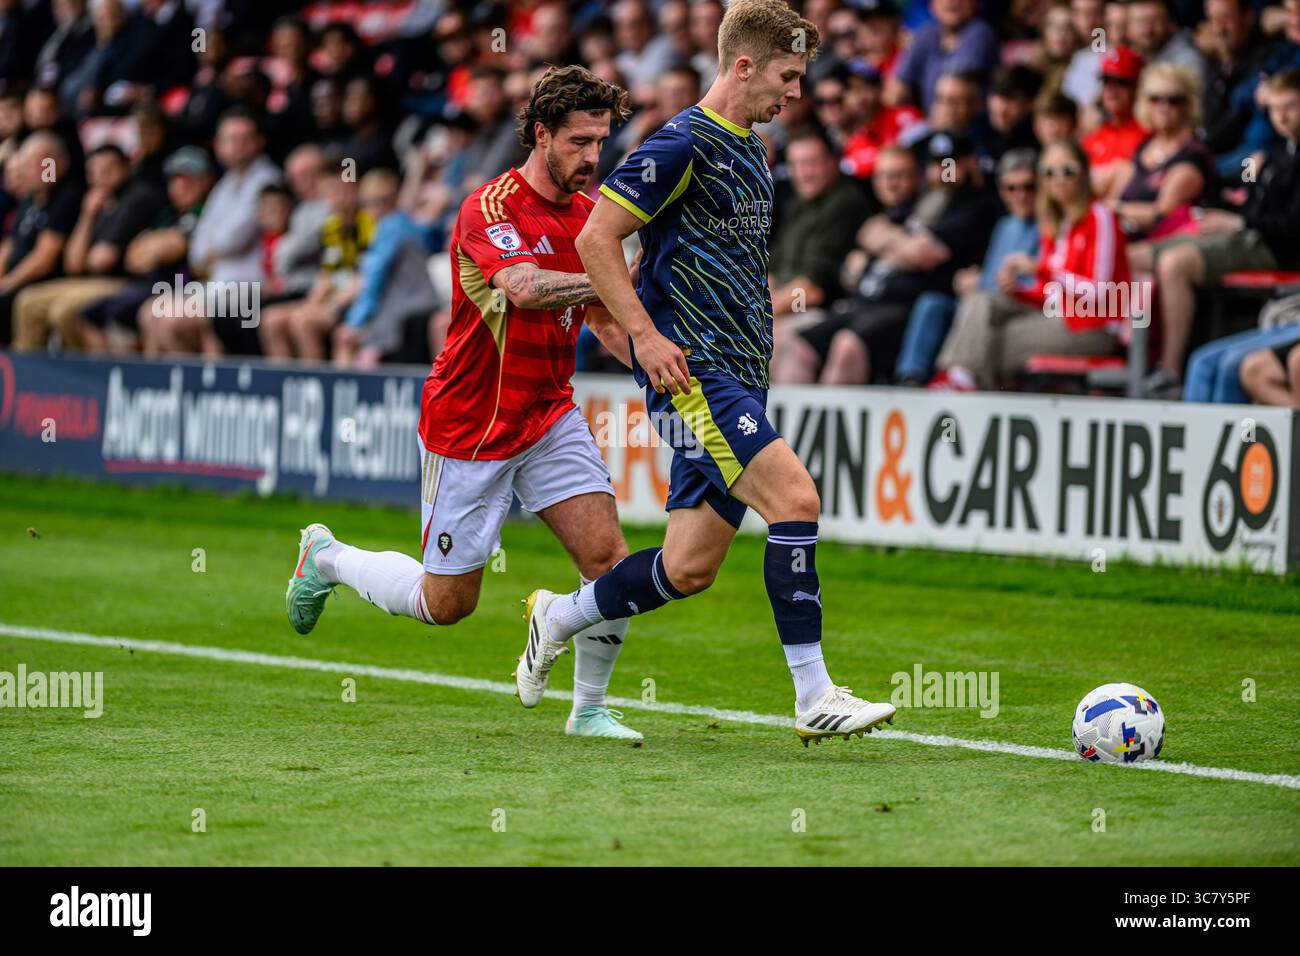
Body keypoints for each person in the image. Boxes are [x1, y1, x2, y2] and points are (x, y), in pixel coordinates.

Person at [520, 0, 899, 746]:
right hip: (694, 377)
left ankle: (555, 616)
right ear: (744, 65)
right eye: (788, 77)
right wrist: (644, 337)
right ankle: (814, 695)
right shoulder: (680, 142)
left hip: (738, 375)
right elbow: (599, 239)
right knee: (795, 499)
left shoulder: (751, 150)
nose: (796, 93)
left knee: (688, 569)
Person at [284, 65, 648, 742]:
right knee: (447, 603)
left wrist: (657, 372)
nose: (594, 157)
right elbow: (524, 288)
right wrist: (605, 275)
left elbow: (602, 316)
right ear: (541, 135)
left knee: (610, 564)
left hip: (548, 413)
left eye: (601, 141)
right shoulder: (489, 206)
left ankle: (588, 709)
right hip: (471, 425)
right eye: (579, 141)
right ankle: (327, 558)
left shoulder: (590, 217)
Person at [1149, 68, 1300, 397]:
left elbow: (1290, 227)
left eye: (1290, 106)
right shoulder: (1275, 155)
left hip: (1274, 251)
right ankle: (1141, 355)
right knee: (1145, 255)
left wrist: (1241, 223)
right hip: (1252, 236)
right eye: (1274, 109)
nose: (1282, 117)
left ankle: (1168, 369)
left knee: (1224, 364)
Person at [933, 139, 1128, 390]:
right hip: (1058, 317)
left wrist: (1041, 271)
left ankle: (959, 388)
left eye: (1067, 171)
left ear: (1084, 174)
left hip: (1093, 326)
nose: (1058, 179)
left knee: (989, 342)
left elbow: (1102, 292)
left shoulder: (1099, 216)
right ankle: (956, 380)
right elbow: (1052, 296)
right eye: (1049, 173)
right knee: (980, 300)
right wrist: (1019, 291)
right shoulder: (1055, 223)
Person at [896, 148, 1041, 384]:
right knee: (932, 304)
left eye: (1028, 187)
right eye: (1011, 188)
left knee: (978, 303)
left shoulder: (1049, 224)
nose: (1020, 195)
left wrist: (992, 283)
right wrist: (973, 281)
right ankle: (910, 380)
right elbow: (990, 278)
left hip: (1020, 306)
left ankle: (955, 378)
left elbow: (1045, 280)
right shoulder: (1005, 225)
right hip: (988, 302)